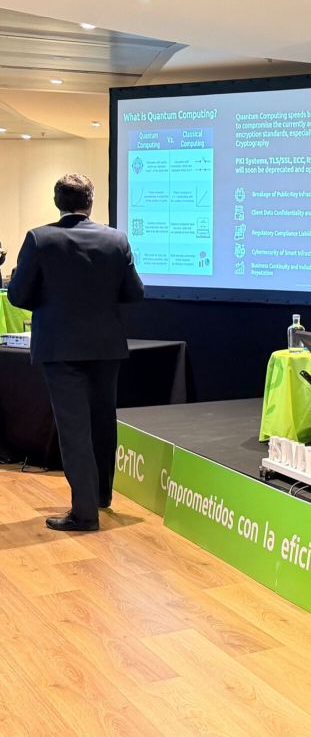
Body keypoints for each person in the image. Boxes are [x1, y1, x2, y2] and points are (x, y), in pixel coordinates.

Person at [7, 174, 146, 532]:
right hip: (106, 347)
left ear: (58, 202)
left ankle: (84, 514)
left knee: (74, 429)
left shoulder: (39, 239)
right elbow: (135, 293)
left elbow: (18, 295)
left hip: (60, 347)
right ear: (90, 201)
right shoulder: (116, 239)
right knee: (102, 423)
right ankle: (100, 496)